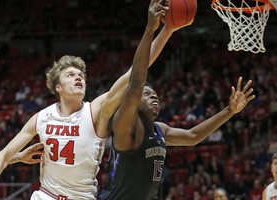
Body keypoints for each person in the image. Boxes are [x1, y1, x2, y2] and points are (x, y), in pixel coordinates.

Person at [0, 0, 180, 199]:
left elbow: (136, 72)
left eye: (81, 75)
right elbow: (2, 157)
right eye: (70, 75)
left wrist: (164, 30)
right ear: (58, 87)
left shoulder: (96, 111)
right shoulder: (40, 118)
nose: (78, 78)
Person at [98, 75, 255, 200]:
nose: (154, 97)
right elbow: (132, 91)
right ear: (135, 103)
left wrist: (230, 111)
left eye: (155, 94)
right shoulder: (129, 127)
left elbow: (193, 136)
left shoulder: (161, 129)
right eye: (147, 94)